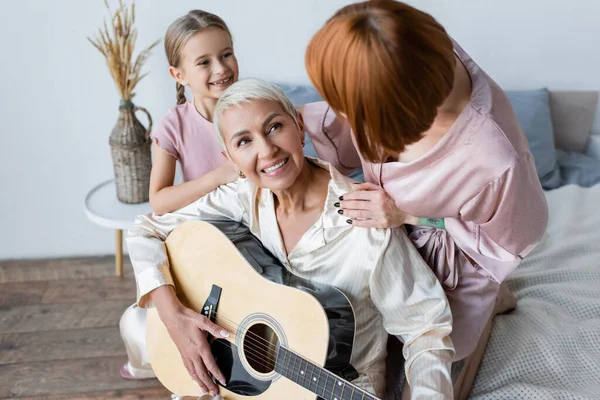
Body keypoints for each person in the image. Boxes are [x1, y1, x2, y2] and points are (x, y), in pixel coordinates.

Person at [126, 78, 456, 399]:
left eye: (274, 127)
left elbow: (426, 331)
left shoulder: (367, 222)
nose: (267, 150)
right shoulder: (241, 198)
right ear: (230, 158)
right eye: (244, 141)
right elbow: (144, 230)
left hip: (338, 387)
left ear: (299, 125)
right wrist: (173, 315)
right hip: (241, 385)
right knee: (137, 325)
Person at [303, 1, 548, 397]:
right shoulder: (404, 50)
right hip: (383, 232)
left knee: (430, 355)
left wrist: (408, 214)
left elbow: (505, 241)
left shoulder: (493, 159)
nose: (346, 116)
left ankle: (491, 304)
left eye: (352, 108)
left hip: (451, 252)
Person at [119, 9, 239, 381]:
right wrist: (221, 175)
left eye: (227, 54)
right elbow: (159, 201)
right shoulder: (174, 123)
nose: (220, 68)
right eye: (204, 61)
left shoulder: (251, 105)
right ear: (179, 75)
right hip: (203, 229)